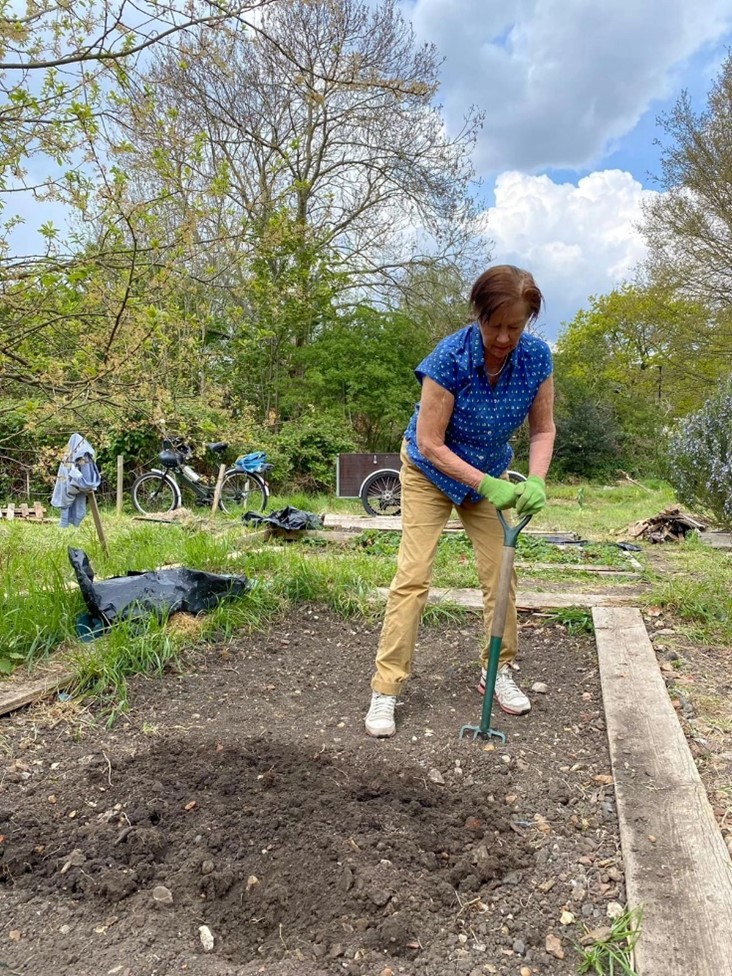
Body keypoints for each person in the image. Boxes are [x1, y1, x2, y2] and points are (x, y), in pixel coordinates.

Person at [365, 265, 555, 738]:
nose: (506, 337)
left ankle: (499, 672)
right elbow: (430, 442)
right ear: (479, 315)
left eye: (517, 326)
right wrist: (485, 484)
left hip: (488, 476)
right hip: (431, 472)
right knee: (413, 577)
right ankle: (385, 689)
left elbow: (543, 429)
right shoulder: (448, 358)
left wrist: (534, 480)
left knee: (501, 574)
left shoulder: (535, 358)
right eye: (497, 325)